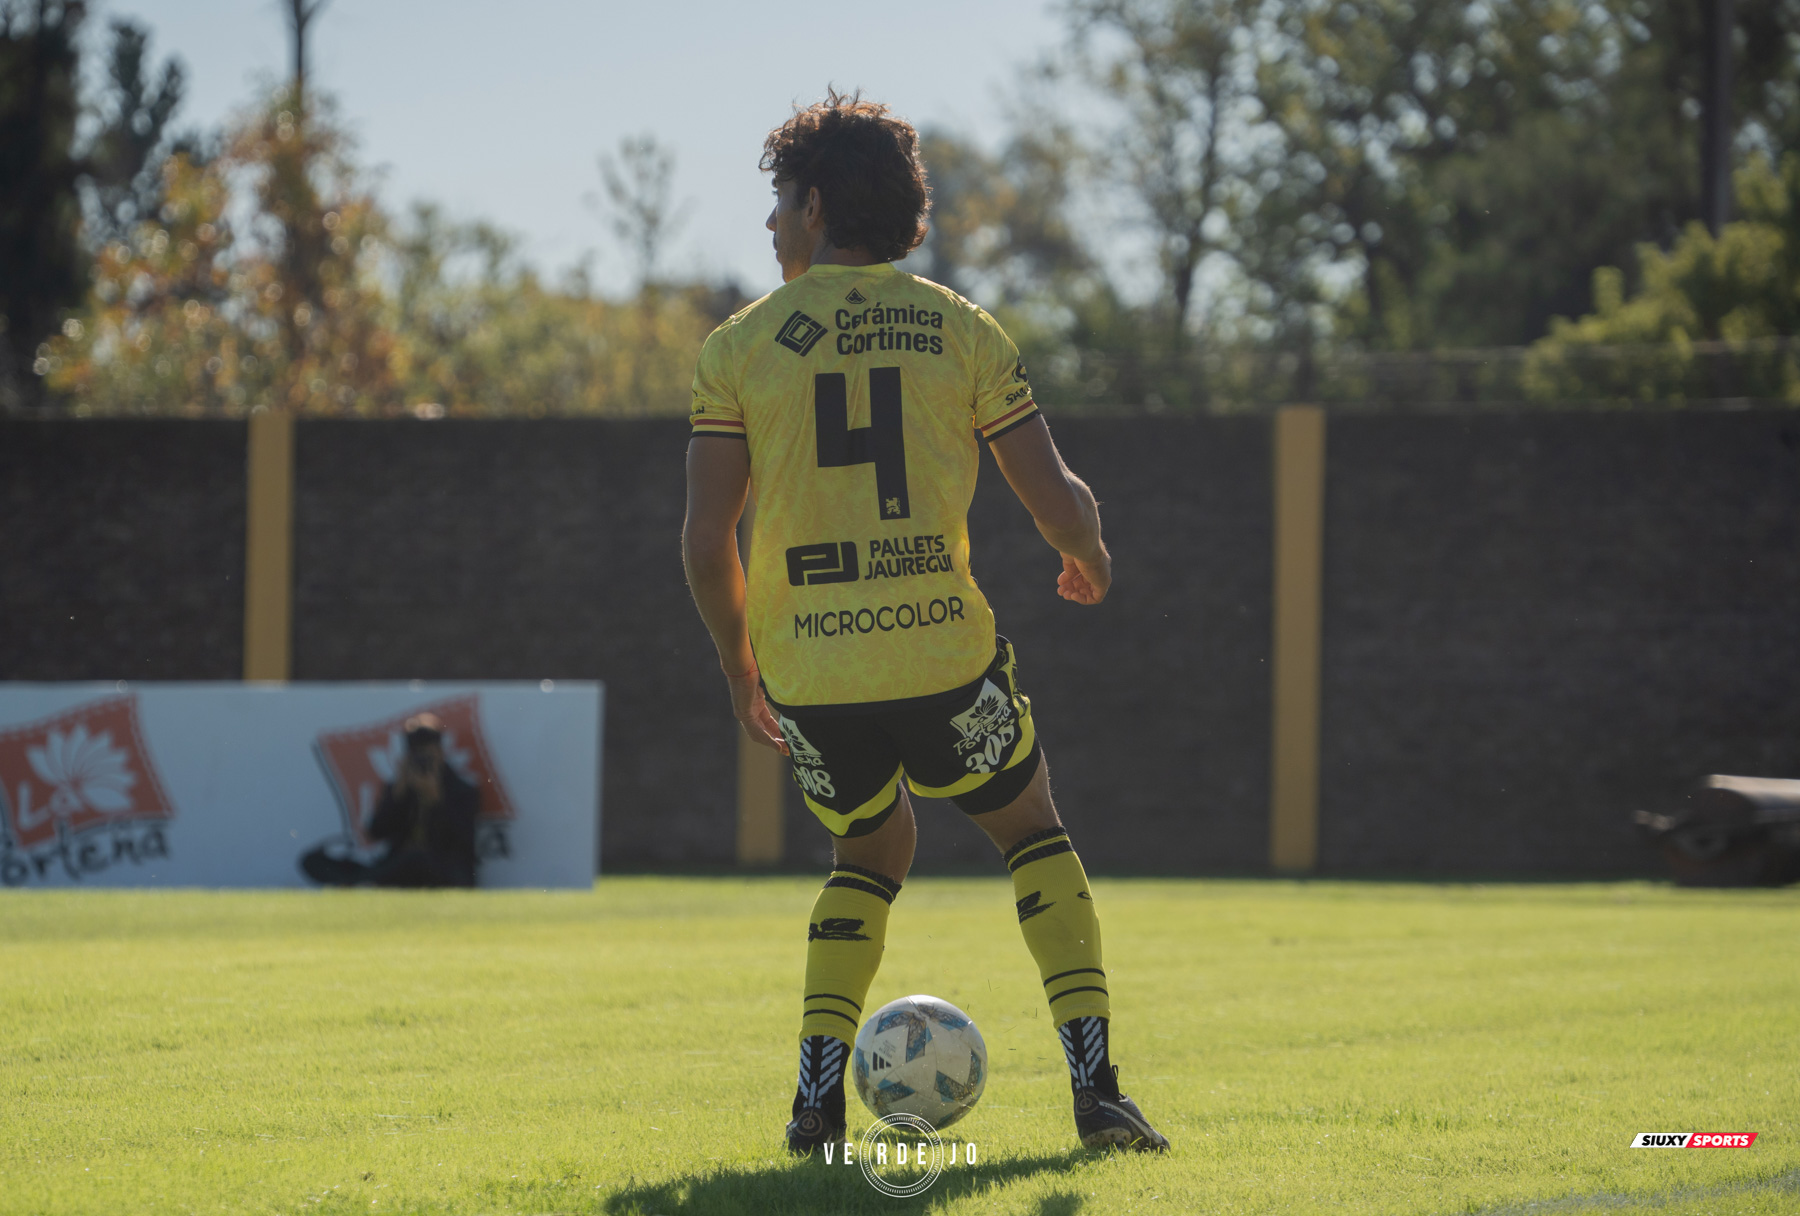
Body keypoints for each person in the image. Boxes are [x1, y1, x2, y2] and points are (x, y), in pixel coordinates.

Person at [682, 89, 1168, 1154]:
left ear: (814, 207)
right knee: (1031, 829)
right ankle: (1097, 1092)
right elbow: (1054, 501)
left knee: (872, 840)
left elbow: (705, 536)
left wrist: (737, 666)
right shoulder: (961, 327)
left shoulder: (739, 348)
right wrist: (1086, 554)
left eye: (777, 205)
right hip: (940, 653)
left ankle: (814, 1108)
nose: (769, 226)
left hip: (810, 670)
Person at [300, 715, 479, 888]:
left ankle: (361, 883)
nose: (422, 759)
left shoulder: (462, 790)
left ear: (440, 752)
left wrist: (434, 798)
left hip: (443, 868)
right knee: (313, 860)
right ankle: (362, 881)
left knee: (416, 859)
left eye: (427, 752)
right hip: (397, 865)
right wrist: (397, 793)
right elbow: (376, 831)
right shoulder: (400, 786)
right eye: (416, 752)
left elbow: (462, 841)